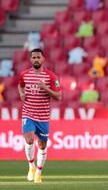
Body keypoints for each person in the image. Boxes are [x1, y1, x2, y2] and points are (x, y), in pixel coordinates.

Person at [18, 48, 62, 183]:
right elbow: (21, 85)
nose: (36, 60)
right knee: (29, 140)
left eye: (38, 57)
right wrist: (21, 93)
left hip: (43, 117)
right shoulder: (24, 75)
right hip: (28, 113)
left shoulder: (51, 77)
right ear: (30, 59)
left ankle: (39, 171)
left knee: (42, 146)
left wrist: (45, 88)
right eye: (34, 57)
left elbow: (58, 96)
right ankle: (31, 166)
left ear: (43, 59)